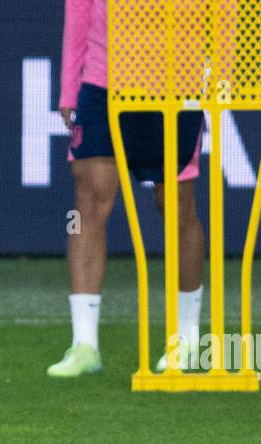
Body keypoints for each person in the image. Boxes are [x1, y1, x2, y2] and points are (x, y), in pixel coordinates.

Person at [48, 0, 207, 378]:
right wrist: (70, 89)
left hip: (177, 85)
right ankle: (84, 344)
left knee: (176, 207)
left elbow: (225, 12)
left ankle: (186, 339)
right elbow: (79, 15)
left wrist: (221, 77)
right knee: (89, 203)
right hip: (102, 86)